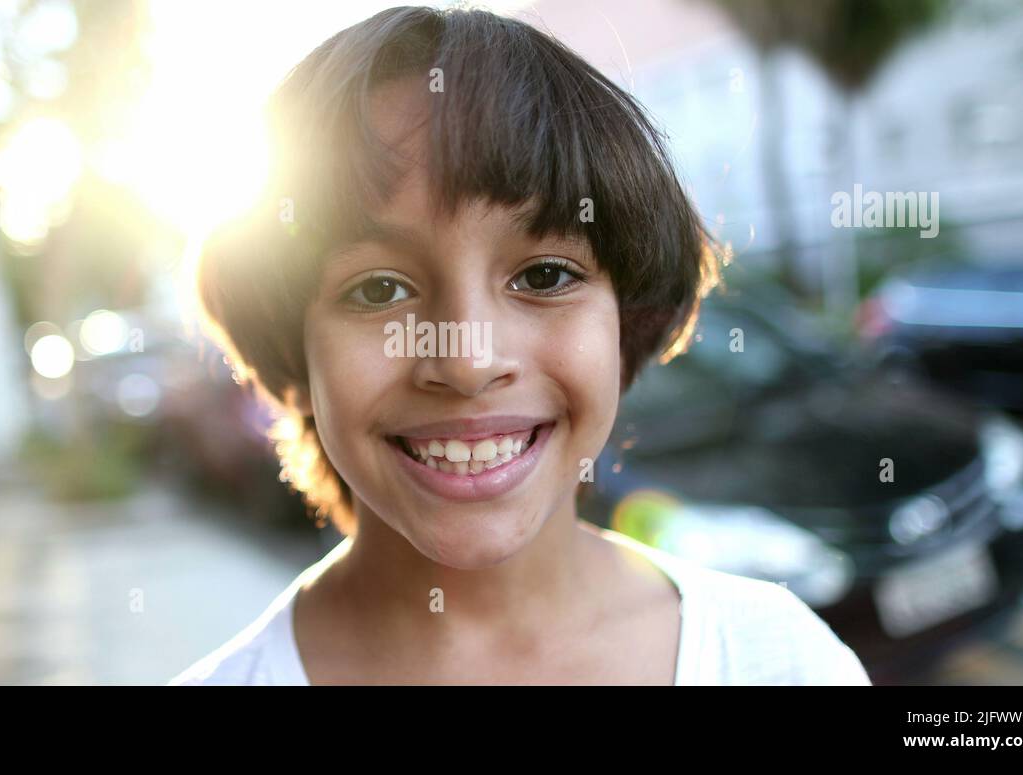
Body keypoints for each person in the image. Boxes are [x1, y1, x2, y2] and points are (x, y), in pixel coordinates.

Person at [171, 5, 871, 685]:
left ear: (624, 328)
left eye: (544, 275)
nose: (469, 362)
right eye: (379, 291)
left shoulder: (781, 661)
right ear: (293, 359)